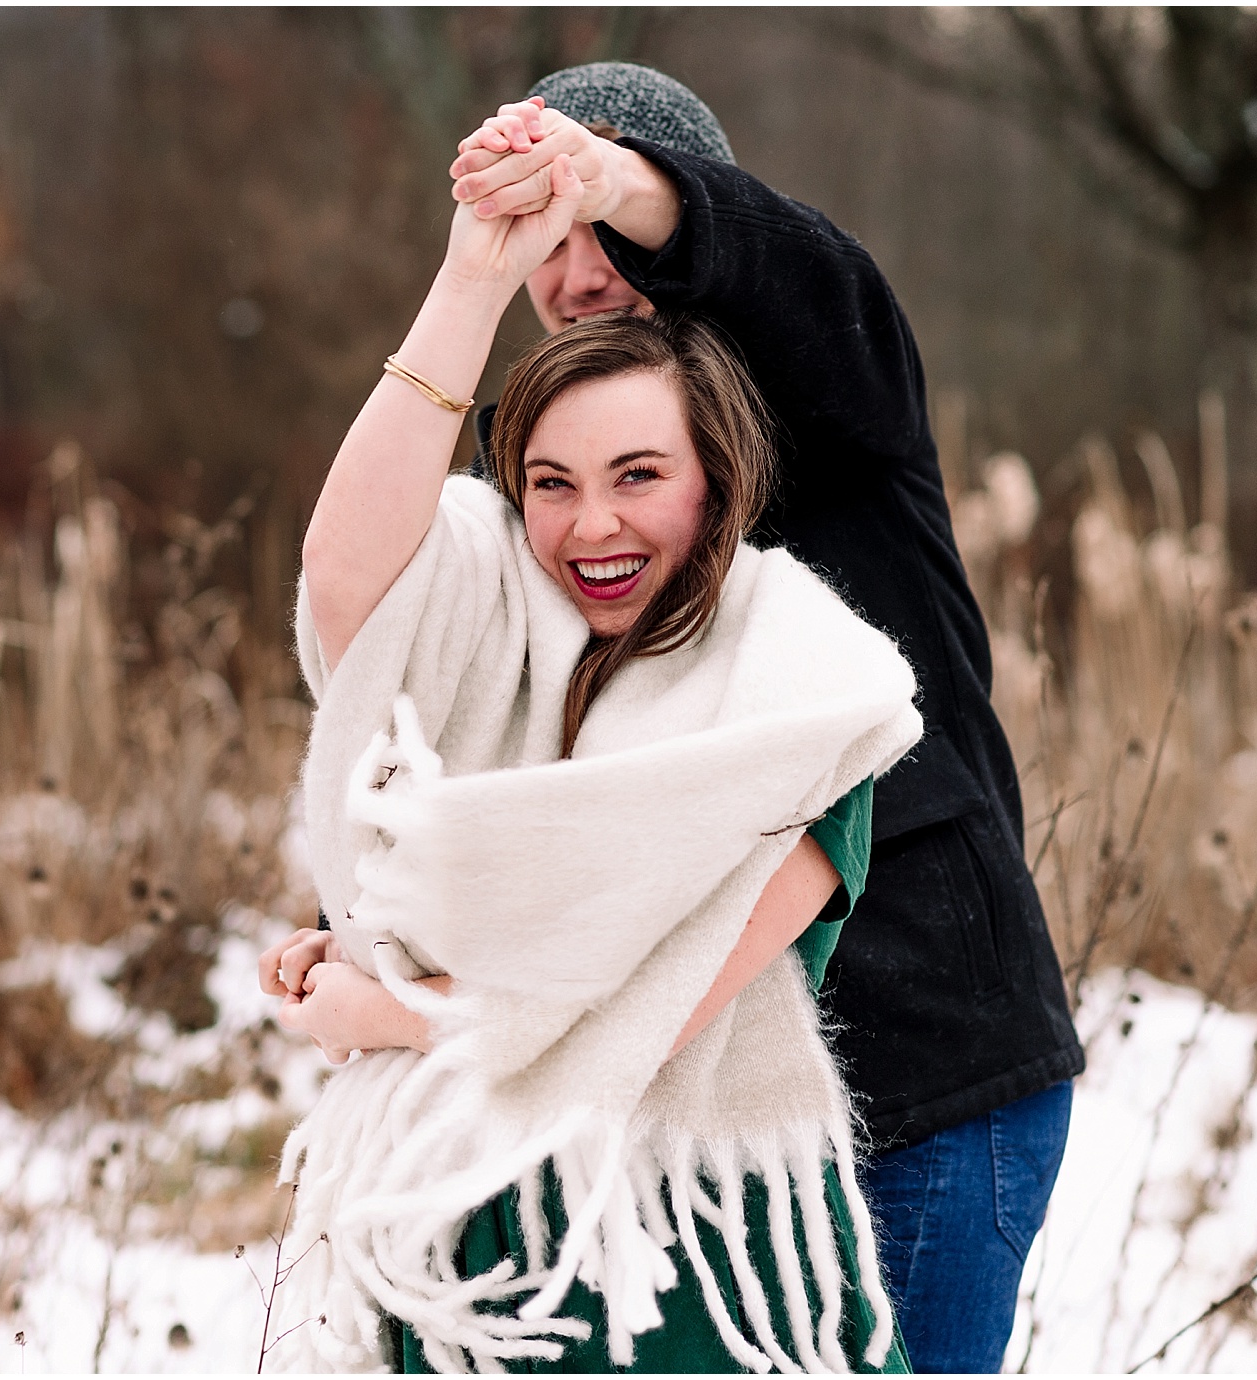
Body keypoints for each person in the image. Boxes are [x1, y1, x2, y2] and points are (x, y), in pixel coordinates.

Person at [431, 63, 1084, 1374]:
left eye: (608, 226)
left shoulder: (837, 406)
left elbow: (800, 278)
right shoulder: (539, 482)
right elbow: (453, 698)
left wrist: (610, 176)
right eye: (546, 245)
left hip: (926, 1090)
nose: (577, 273)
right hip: (690, 1115)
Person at [257, 130, 926, 1372]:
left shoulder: (803, 695)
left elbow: (646, 1008)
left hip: (684, 1267)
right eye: (552, 484)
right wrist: (468, 282)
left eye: (638, 475)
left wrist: (381, 1009)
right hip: (465, 1242)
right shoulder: (505, 633)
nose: (593, 523)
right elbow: (351, 580)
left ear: (716, 486)